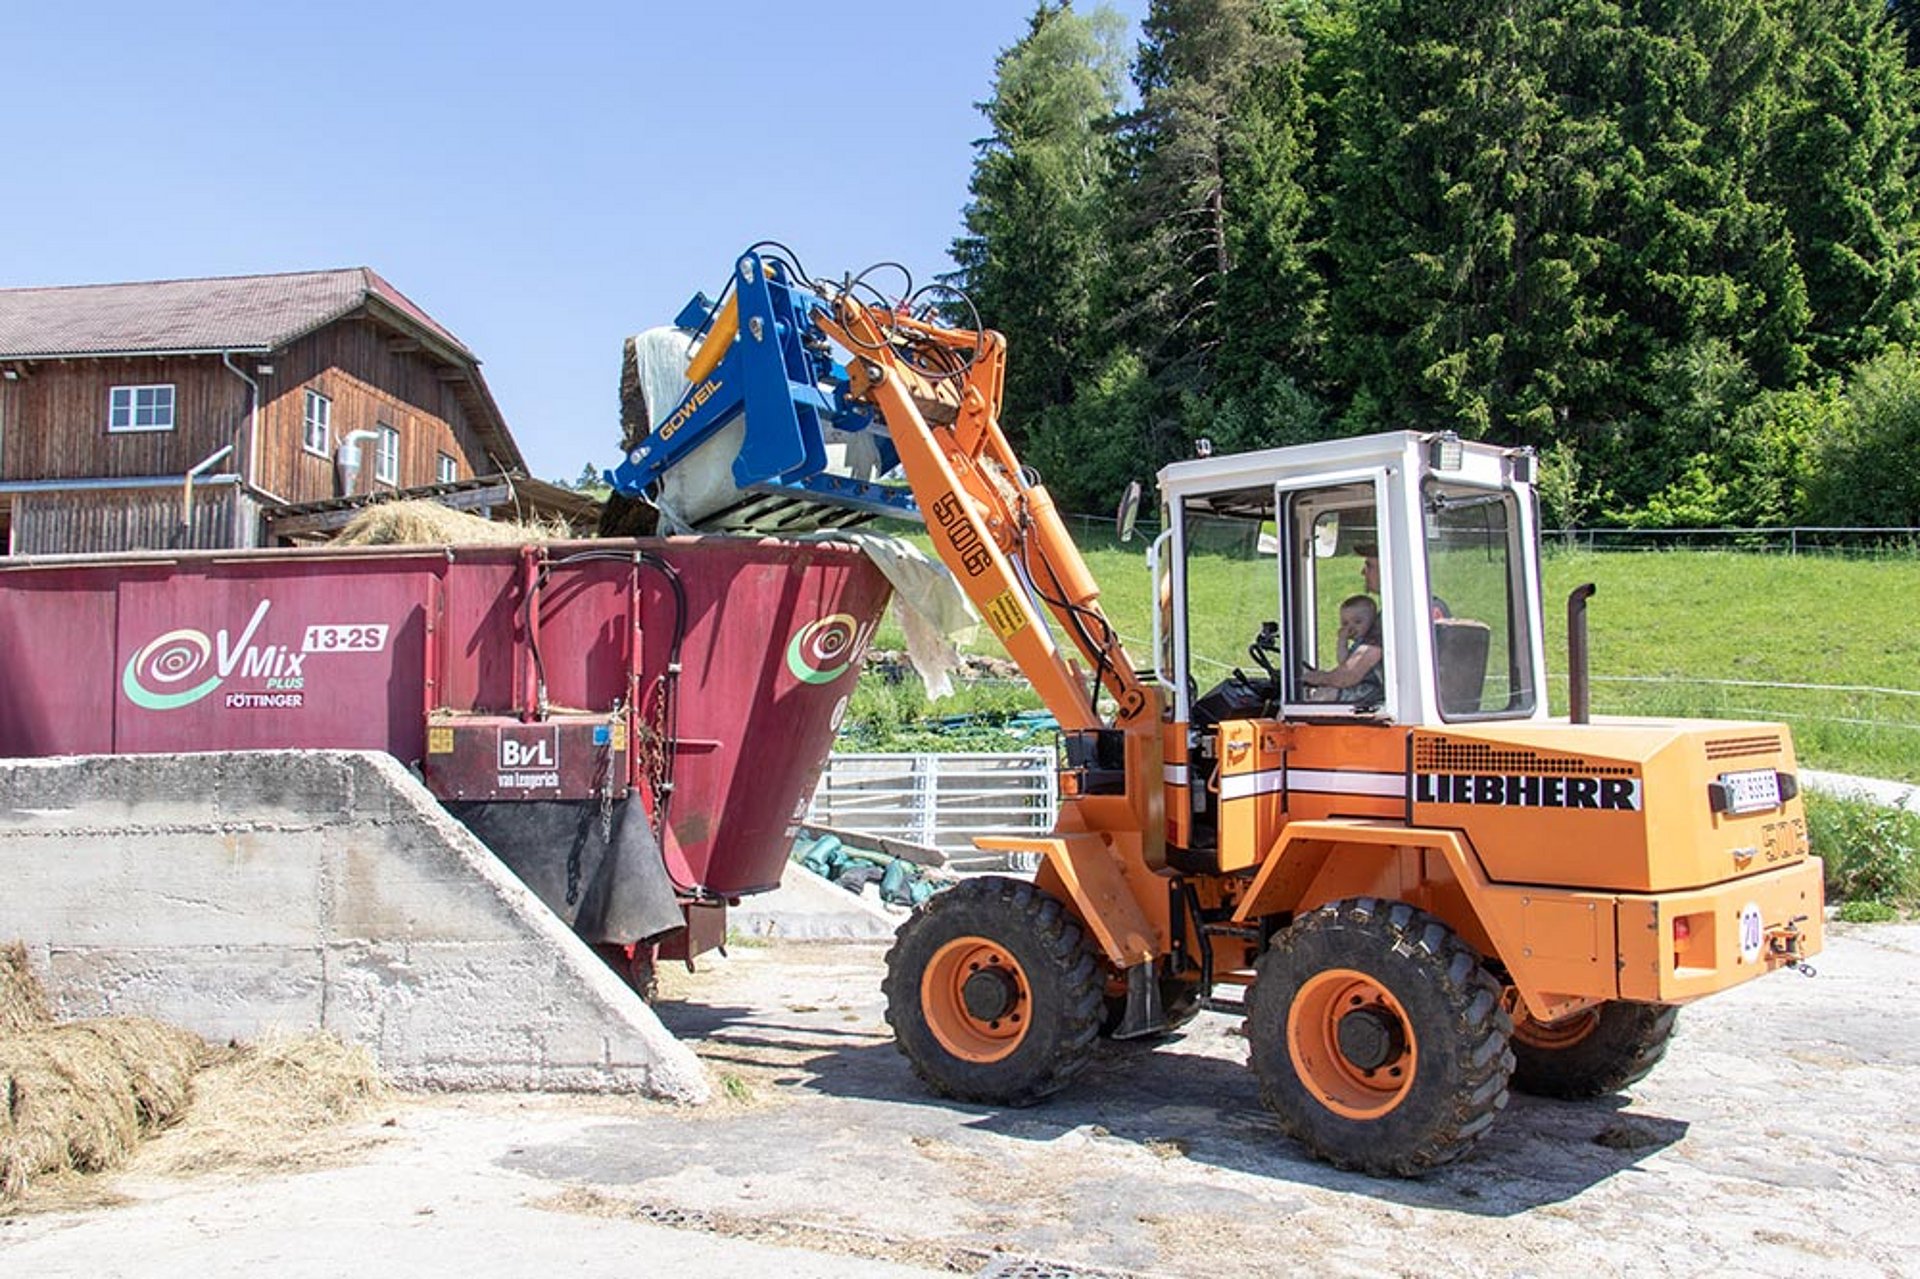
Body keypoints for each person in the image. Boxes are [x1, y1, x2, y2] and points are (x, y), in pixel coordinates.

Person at [1301, 594, 1385, 705]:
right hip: (1359, 686)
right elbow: (1344, 663)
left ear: (1372, 621)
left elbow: (1348, 676)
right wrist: (1342, 641)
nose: (1351, 627)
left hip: (1372, 689)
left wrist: (1322, 678)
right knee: (1323, 692)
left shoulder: (1370, 642)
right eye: (1345, 623)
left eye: (1358, 622)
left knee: (1326, 695)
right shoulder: (1358, 645)